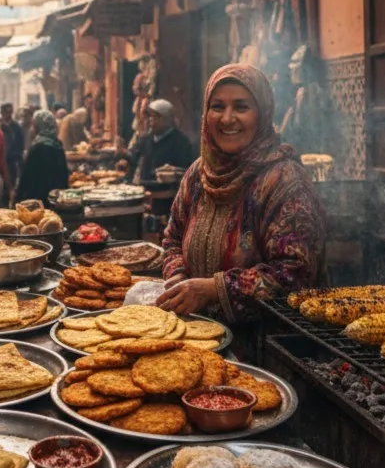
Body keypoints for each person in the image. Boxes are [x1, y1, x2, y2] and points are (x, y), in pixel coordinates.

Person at [156, 64, 324, 339]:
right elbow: (172, 237)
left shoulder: (285, 181)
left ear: (262, 114)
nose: (227, 118)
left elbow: (295, 275)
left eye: (241, 107)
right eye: (218, 106)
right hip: (194, 340)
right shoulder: (198, 174)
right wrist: (177, 274)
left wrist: (214, 289)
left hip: (266, 349)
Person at [126, 99, 196, 183]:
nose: (151, 120)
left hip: (168, 192)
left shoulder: (181, 142)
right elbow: (133, 158)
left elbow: (187, 172)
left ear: (169, 119)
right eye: (150, 116)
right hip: (145, 189)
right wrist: (124, 157)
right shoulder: (146, 139)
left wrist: (173, 173)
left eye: (156, 117)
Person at [15, 110, 70, 205]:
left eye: (33, 126)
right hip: (56, 200)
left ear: (39, 127)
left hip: (37, 202)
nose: (31, 129)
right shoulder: (57, 144)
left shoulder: (38, 147)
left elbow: (27, 178)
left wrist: (18, 198)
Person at [0, 103, 25, 188]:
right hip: (0, 162)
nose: (8, 114)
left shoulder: (16, 127)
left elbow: (20, 146)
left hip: (12, 162)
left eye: (9, 112)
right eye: (5, 112)